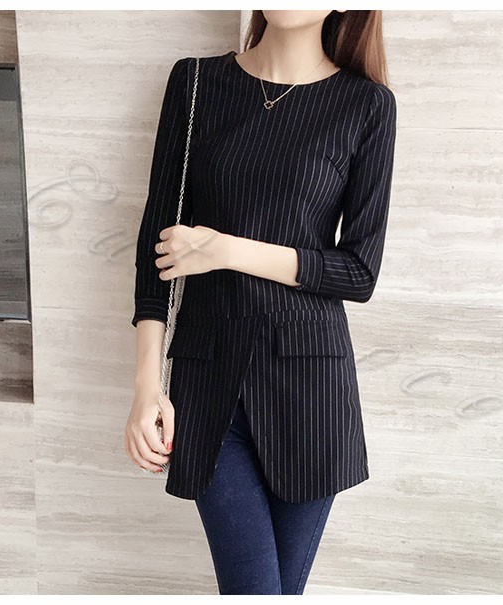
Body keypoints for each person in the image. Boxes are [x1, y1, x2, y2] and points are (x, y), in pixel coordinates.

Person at [125, 9, 397, 595]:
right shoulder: (196, 82)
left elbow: (358, 272)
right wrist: (147, 387)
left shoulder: (367, 105)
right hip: (206, 383)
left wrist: (227, 249)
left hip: (312, 393)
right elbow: (156, 248)